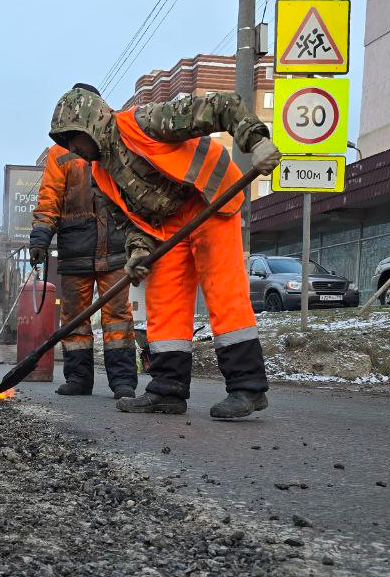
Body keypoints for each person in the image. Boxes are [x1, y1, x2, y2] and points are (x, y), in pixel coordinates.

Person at [47, 84, 282, 418]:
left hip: (208, 201)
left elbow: (221, 105)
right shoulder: (101, 173)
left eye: (73, 138)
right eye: (65, 142)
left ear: (92, 123)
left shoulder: (146, 122)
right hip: (168, 226)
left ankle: (248, 389)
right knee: (164, 303)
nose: (73, 149)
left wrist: (255, 140)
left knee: (223, 293)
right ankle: (167, 390)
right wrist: (138, 252)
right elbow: (130, 220)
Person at [29, 126, 139, 399]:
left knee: (117, 317)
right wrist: (40, 239)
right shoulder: (60, 153)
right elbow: (49, 199)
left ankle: (123, 381)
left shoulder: (117, 142)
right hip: (76, 249)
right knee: (75, 317)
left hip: (114, 247)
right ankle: (79, 378)